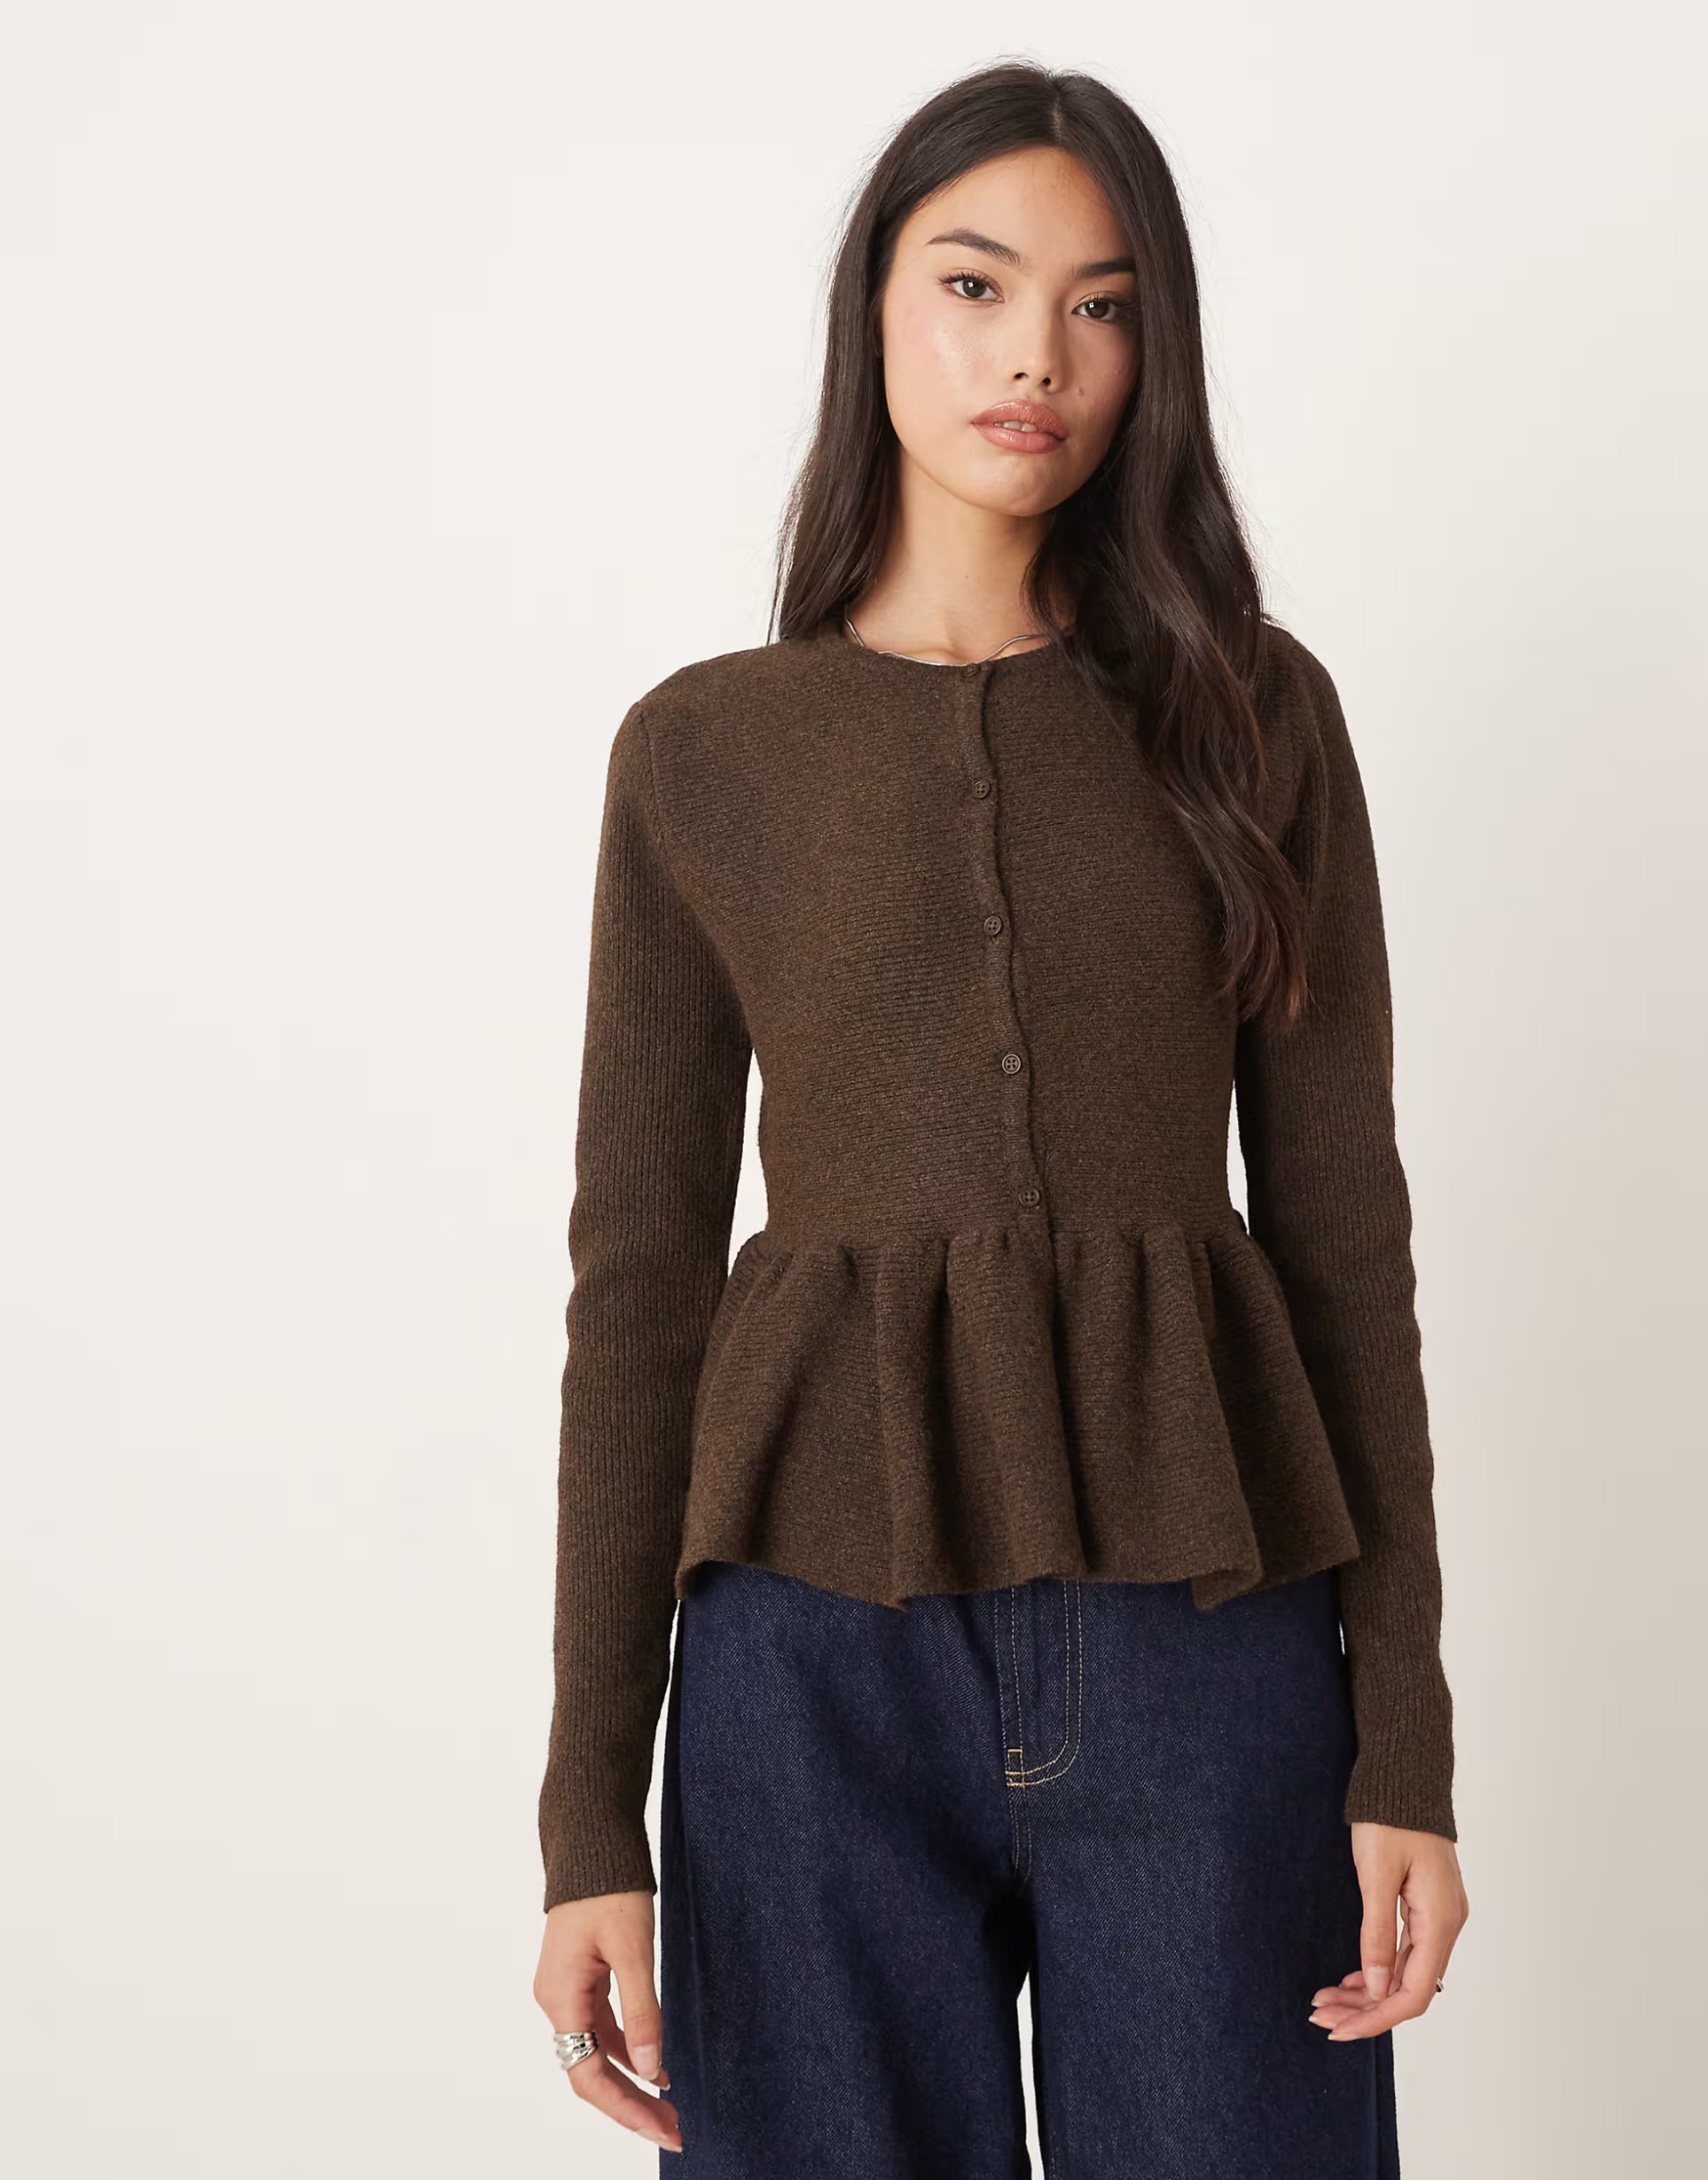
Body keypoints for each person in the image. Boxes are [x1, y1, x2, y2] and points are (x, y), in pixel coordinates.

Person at [532, 59, 1469, 2176]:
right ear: (874, 306)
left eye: (1102, 304)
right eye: (976, 283)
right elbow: (640, 1284)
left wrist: (1403, 1736)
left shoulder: (1252, 711)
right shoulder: (703, 753)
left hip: (1209, 1641)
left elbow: (1345, 1232)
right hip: (806, 1663)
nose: (1037, 354)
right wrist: (591, 1809)